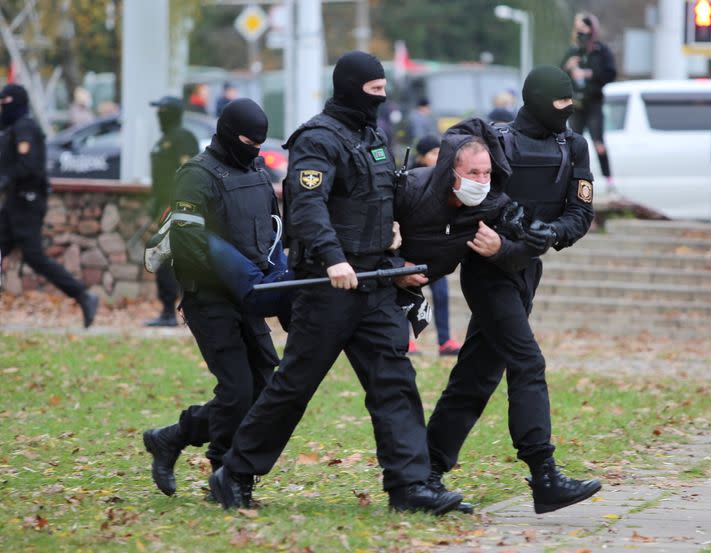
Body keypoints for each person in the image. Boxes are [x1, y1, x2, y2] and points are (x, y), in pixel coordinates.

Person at [208, 51, 463, 515]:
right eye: (373, 92)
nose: (381, 101)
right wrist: (332, 260)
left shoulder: (374, 136)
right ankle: (234, 474)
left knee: (394, 380)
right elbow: (307, 207)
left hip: (375, 281)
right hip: (328, 286)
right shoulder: (317, 139)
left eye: (385, 93)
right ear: (349, 89)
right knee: (294, 386)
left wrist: (398, 240)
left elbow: (382, 197)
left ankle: (409, 487)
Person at [425, 66, 601, 515]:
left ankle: (423, 471)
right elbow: (469, 190)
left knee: (477, 376)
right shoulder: (494, 139)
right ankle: (544, 473)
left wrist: (547, 233)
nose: (567, 111)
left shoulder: (573, 146)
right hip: (488, 270)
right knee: (527, 361)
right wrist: (506, 242)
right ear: (539, 100)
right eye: (560, 103)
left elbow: (580, 214)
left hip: (526, 271)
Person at [142, 98, 283, 497]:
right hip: (210, 299)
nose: (254, 149)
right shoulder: (195, 175)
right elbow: (188, 244)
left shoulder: (256, 169)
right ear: (226, 133)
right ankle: (225, 472)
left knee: (262, 389)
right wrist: (235, 277)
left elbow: (271, 229)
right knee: (237, 390)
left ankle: (173, 437)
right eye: (247, 140)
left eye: (259, 142)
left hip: (251, 293)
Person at [0, 83, 98, 328]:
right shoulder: (12, 128)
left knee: (34, 257)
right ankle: (83, 296)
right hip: (15, 201)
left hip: (27, 202)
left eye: (4, 104)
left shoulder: (25, 128)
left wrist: (3, 181)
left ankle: (83, 295)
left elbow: (27, 166)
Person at [405, 133, 462, 356]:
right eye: (433, 153)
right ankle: (406, 341)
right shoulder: (410, 179)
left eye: (441, 152)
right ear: (420, 157)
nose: (438, 157)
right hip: (411, 250)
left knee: (441, 295)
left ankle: (445, 340)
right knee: (408, 298)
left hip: (435, 253)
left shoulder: (446, 181)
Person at [145, 96, 199, 327]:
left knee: (179, 261)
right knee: (164, 259)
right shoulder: (164, 139)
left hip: (178, 209)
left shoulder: (183, 138)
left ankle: (185, 310)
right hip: (163, 208)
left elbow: (189, 174)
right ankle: (168, 310)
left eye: (162, 111)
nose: (158, 116)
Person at [561, 12, 616, 191]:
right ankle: (574, 180)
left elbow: (610, 74)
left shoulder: (601, 51)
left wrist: (589, 73)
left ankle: (609, 181)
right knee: (574, 143)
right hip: (577, 104)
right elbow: (559, 74)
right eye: (578, 29)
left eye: (584, 29)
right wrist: (569, 67)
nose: (581, 33)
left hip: (594, 102)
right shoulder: (572, 51)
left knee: (598, 142)